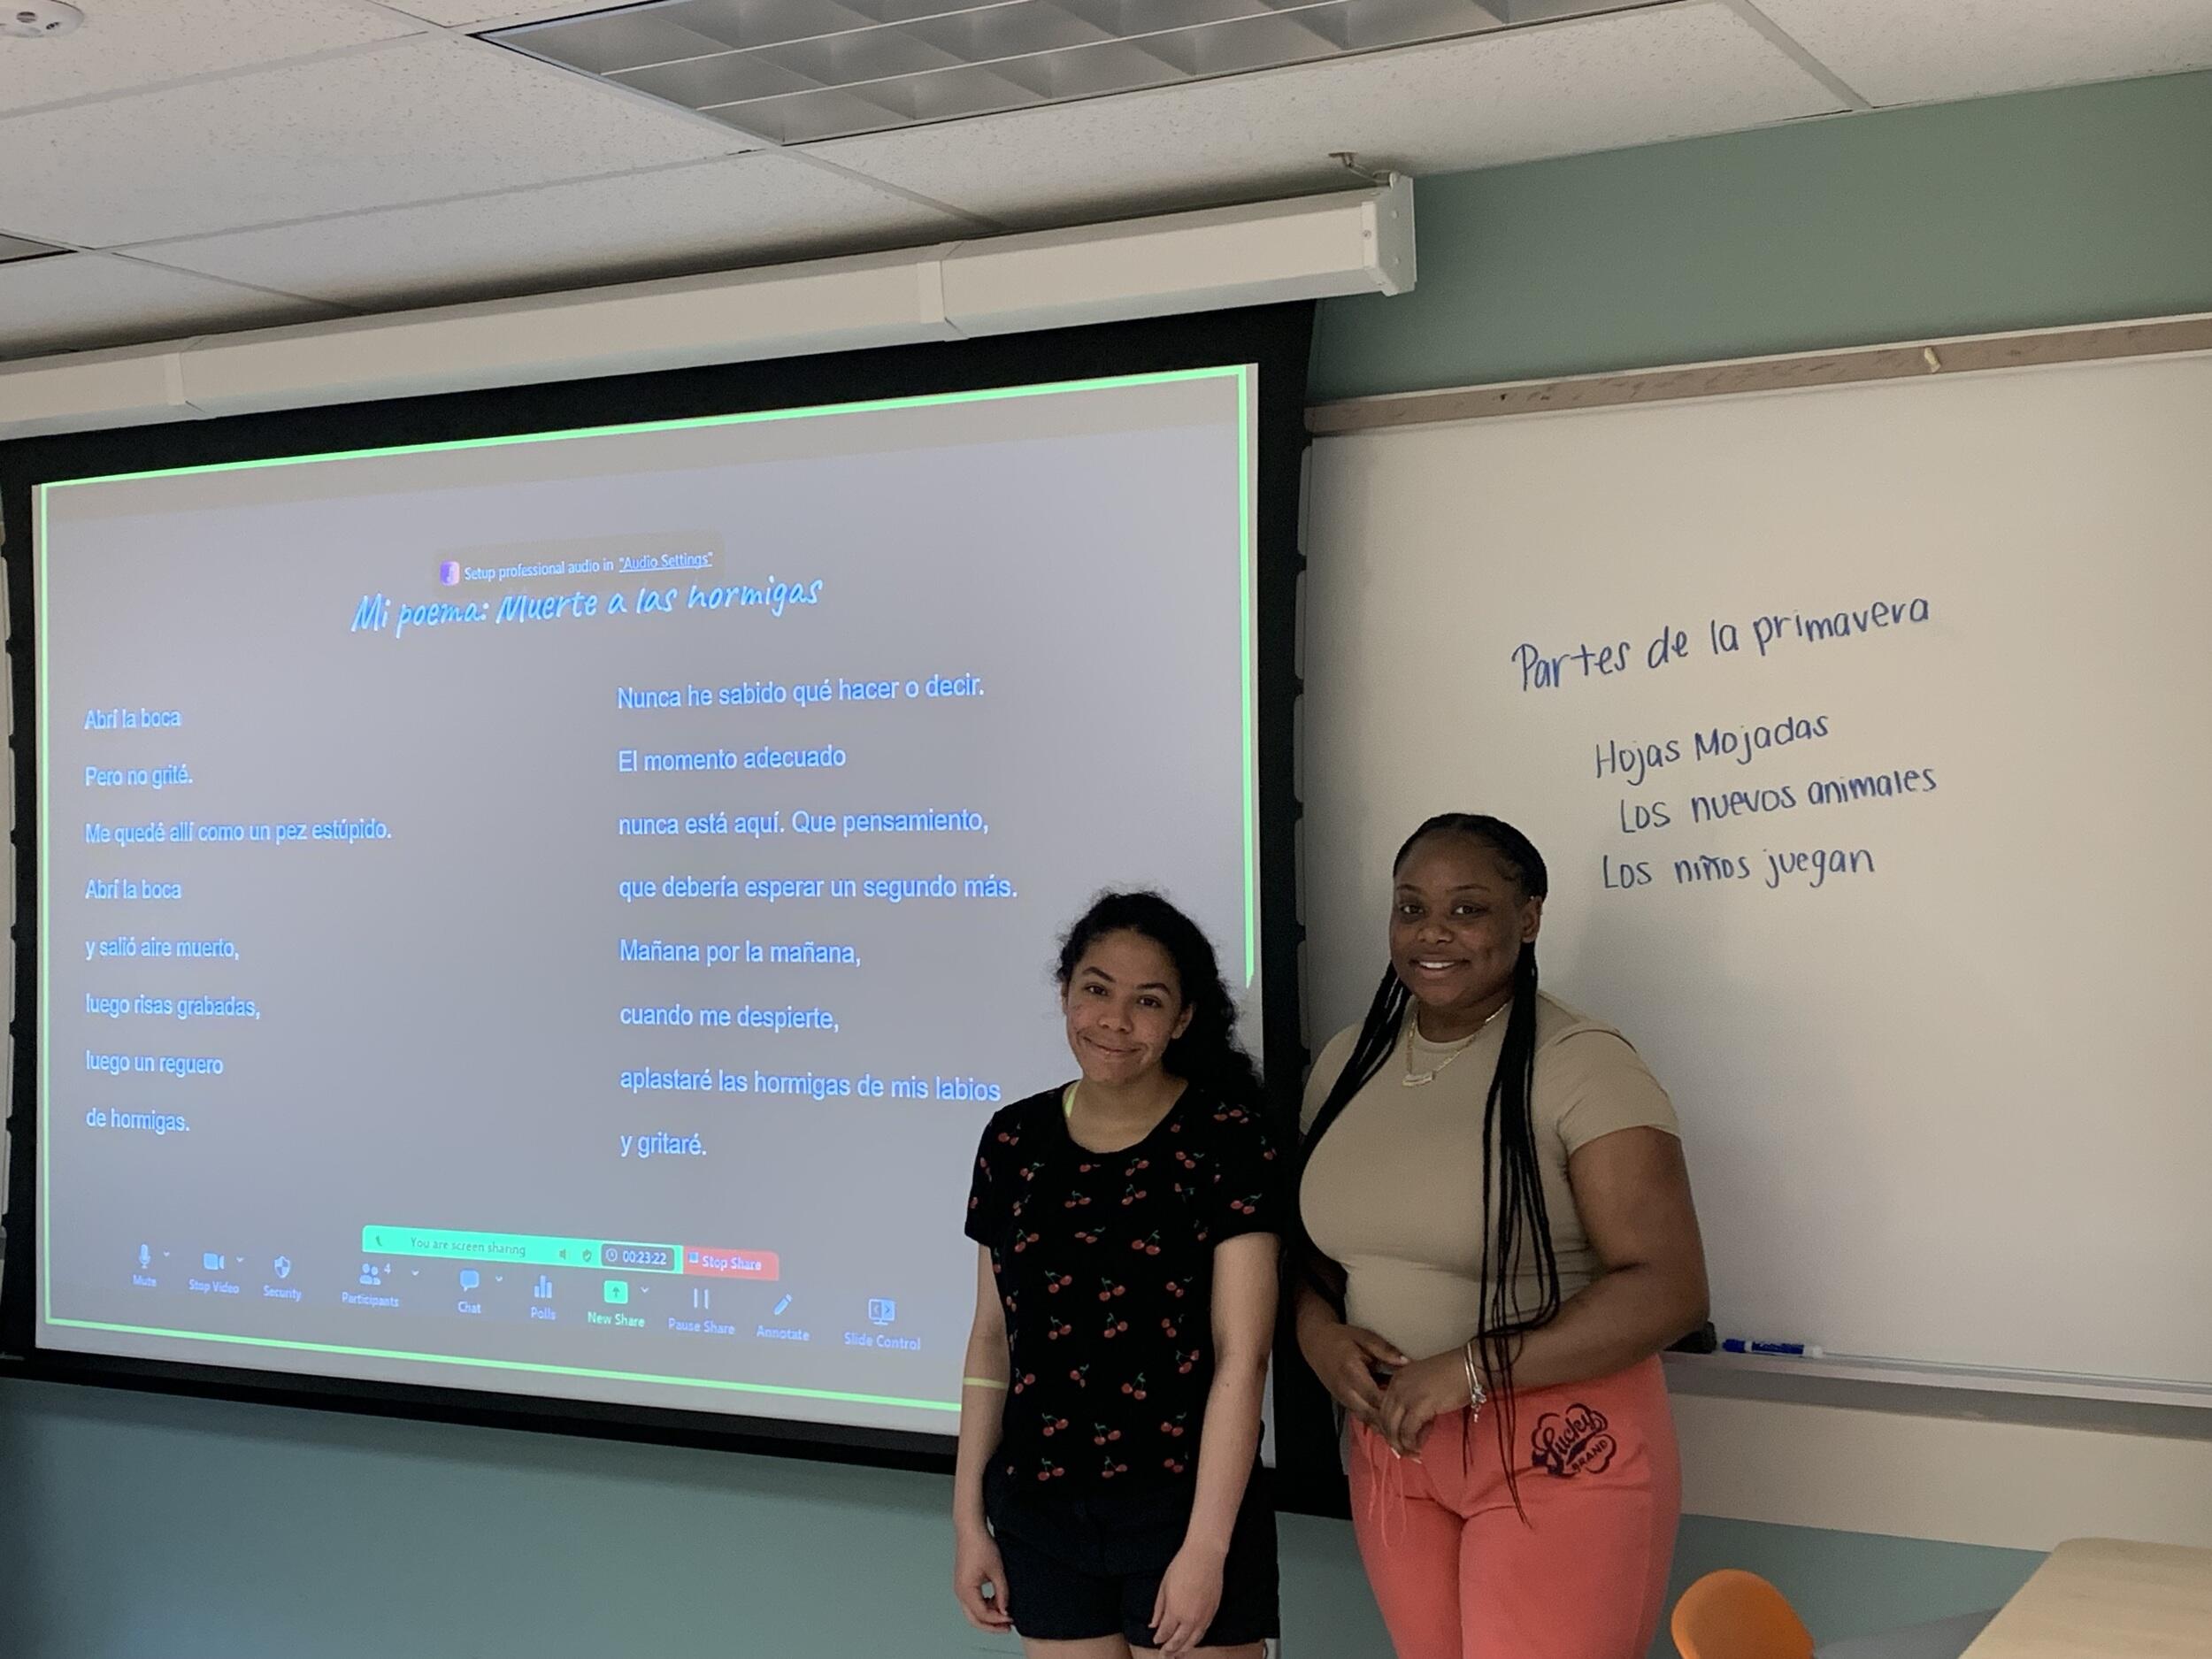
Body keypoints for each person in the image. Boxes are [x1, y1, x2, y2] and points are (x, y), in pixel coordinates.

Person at [1293, 813, 1709, 1659]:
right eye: (1410, 908)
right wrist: (1317, 1336)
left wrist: (1471, 1369)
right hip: (1394, 1444)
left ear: (1529, 917)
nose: (1432, 932)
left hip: (1557, 1447)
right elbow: (1316, 1255)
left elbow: (1669, 1287)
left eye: (1467, 908)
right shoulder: (1347, 1061)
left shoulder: (1582, 1063)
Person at [954, 892, 1282, 1659]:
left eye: (1148, 1001)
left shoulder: (1227, 1138)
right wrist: (970, 1519)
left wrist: (1206, 1550)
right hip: (1039, 1509)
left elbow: (1244, 1355)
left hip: (1184, 1505)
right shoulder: (1013, 1136)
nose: (1114, 1020)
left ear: (1184, 1018)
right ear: (1066, 991)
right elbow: (991, 1339)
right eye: (1096, 989)